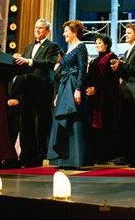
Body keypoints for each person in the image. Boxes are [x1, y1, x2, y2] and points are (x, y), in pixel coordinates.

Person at [14, 18, 61, 167]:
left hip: (42, 89)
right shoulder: (28, 47)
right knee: (25, 124)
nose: (37, 30)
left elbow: (49, 63)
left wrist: (29, 61)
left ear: (47, 31)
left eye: (40, 28)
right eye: (36, 28)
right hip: (27, 90)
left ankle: (39, 157)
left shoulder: (53, 46)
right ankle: (26, 156)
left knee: (40, 124)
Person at [47, 20, 90, 169]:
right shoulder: (70, 48)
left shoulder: (81, 47)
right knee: (62, 121)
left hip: (73, 86)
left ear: (75, 32)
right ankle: (62, 159)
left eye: (66, 31)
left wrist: (78, 89)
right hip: (64, 86)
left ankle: (75, 158)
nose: (64, 34)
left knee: (74, 118)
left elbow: (82, 70)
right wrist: (59, 94)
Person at [110, 23, 135, 167]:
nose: (126, 35)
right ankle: (129, 155)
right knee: (128, 126)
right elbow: (127, 70)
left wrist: (121, 66)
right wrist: (119, 67)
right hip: (127, 92)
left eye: (129, 33)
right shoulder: (128, 51)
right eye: (125, 33)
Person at [85, 33, 120, 165]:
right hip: (94, 98)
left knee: (105, 126)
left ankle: (104, 155)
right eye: (96, 43)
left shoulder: (112, 57)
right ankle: (95, 154)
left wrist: (97, 89)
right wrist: (88, 88)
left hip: (107, 98)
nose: (97, 45)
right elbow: (90, 77)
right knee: (94, 127)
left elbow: (111, 80)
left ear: (106, 44)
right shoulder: (94, 60)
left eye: (100, 43)